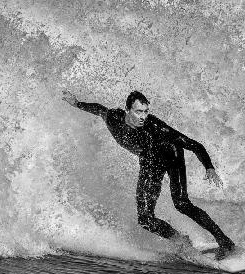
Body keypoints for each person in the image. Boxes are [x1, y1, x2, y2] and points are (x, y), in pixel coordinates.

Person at [62, 90, 235, 259]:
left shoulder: (156, 127)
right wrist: (77, 103)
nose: (143, 117)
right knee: (145, 219)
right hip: (149, 161)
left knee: (182, 203)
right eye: (138, 112)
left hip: (171, 155)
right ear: (127, 110)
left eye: (146, 112)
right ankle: (180, 240)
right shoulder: (114, 117)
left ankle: (225, 242)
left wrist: (209, 167)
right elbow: (99, 109)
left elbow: (193, 145)